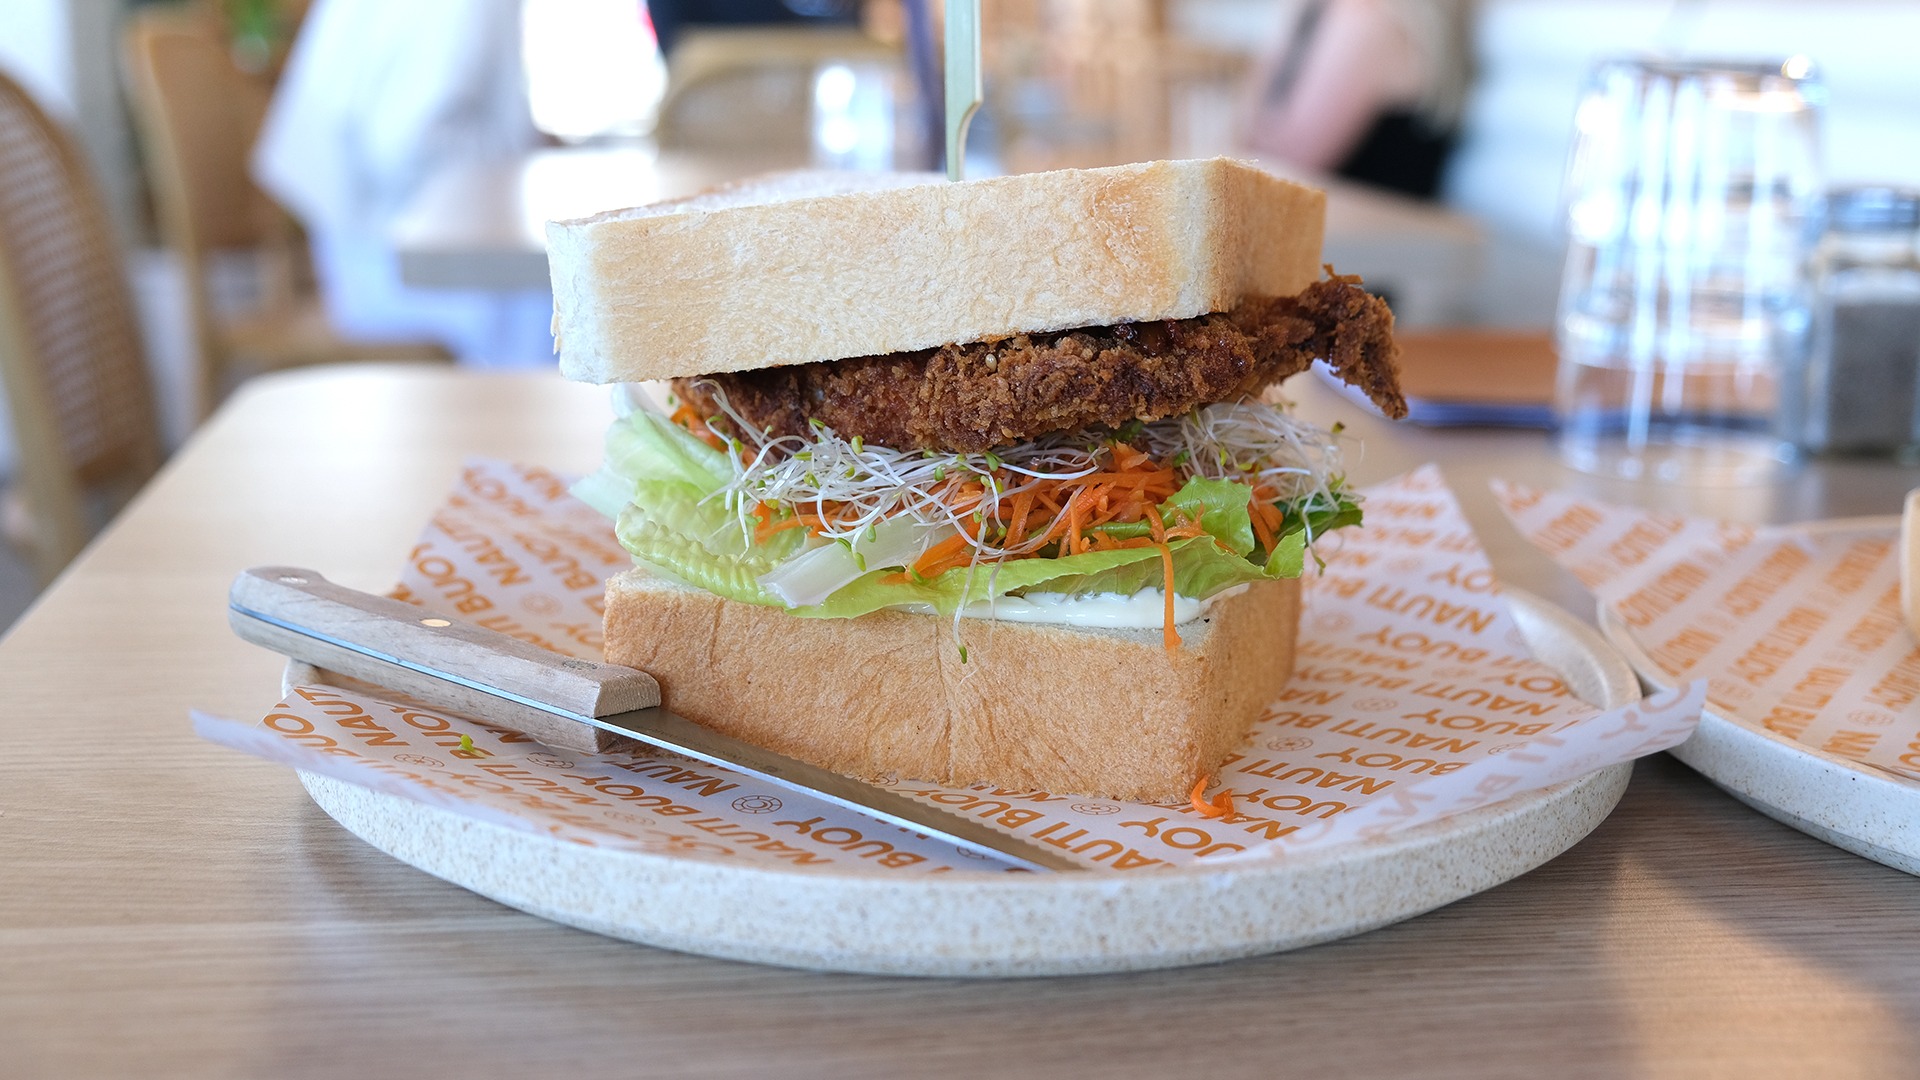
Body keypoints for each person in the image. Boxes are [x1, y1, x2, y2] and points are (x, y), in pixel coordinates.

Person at [251, 0, 555, 367]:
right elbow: (407, 143)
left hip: (356, 243)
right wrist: (521, 147)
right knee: (560, 304)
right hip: (392, 261)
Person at [1239, 0, 1474, 201]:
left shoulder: (1368, 18)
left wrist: (1291, 20)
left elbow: (1278, 165)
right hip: (1382, 237)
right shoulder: (1386, 17)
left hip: (1365, 241)